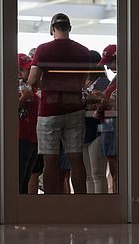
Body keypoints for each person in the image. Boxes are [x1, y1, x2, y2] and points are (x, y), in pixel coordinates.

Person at [28, 13, 90, 194]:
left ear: (52, 28)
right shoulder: (83, 51)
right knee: (76, 159)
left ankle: (51, 204)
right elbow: (83, 82)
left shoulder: (43, 49)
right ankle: (81, 202)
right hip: (75, 108)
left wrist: (44, 85)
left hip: (49, 109)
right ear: (69, 28)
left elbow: (32, 80)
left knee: (50, 162)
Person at [83, 50, 110, 194]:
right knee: (88, 175)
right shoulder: (85, 82)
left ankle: (101, 207)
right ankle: (91, 206)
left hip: (98, 130)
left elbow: (102, 104)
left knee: (97, 173)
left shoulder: (102, 82)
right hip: (85, 129)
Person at [96, 44, 119, 193]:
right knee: (112, 166)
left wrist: (105, 101)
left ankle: (117, 194)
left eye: (109, 63)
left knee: (116, 167)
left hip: (113, 125)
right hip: (107, 124)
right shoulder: (117, 78)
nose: (108, 67)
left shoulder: (125, 78)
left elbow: (122, 105)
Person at [17, 53, 39, 194]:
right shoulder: (11, 88)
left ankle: (22, 208)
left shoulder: (31, 88)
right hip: (20, 137)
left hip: (32, 137)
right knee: (19, 177)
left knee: (26, 177)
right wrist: (23, 99)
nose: (30, 71)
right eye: (26, 69)